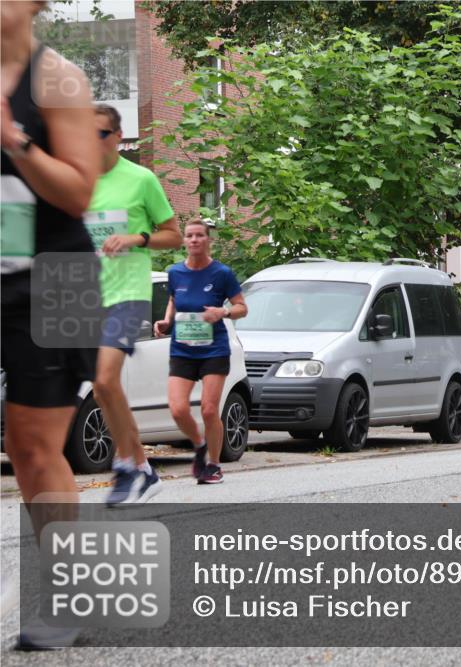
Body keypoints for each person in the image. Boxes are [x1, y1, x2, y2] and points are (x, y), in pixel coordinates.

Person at [1, 0, 100, 649]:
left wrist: (14, 139)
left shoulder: (57, 78)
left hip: (58, 278)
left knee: (36, 446)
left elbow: (79, 190)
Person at [89, 104, 182, 506]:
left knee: (107, 380)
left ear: (117, 136)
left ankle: (127, 465)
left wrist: (135, 239)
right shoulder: (79, 183)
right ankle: (143, 468)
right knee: (98, 389)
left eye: (101, 135)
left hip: (128, 294)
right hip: (87, 296)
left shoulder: (140, 179)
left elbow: (173, 235)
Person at [154, 220, 246, 484]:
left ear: (208, 240)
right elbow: (174, 299)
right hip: (182, 349)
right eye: (189, 236)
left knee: (208, 410)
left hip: (213, 350)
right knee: (178, 408)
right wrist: (166, 321)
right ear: (184, 241)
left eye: (199, 236)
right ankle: (199, 444)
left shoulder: (222, 273)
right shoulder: (175, 273)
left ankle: (214, 465)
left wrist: (223, 311)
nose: (194, 240)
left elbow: (242, 307)